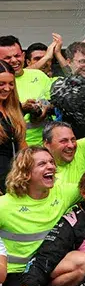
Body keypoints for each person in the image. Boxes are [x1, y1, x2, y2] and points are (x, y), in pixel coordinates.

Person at [0, 148, 85, 286]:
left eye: (51, 162)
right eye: (42, 164)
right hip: (13, 275)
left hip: (44, 269)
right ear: (26, 172)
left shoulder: (63, 192)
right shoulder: (5, 204)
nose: (51, 166)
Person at [0, 36, 52, 146]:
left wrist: (42, 105)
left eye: (17, 56)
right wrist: (22, 108)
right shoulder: (5, 83)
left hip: (45, 144)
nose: (14, 60)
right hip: (13, 147)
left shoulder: (39, 75)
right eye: (8, 58)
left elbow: (51, 100)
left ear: (23, 56)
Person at [0, 61, 27, 193]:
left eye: (11, 84)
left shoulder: (15, 109)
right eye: (1, 84)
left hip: (16, 179)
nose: (7, 88)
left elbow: (22, 143)